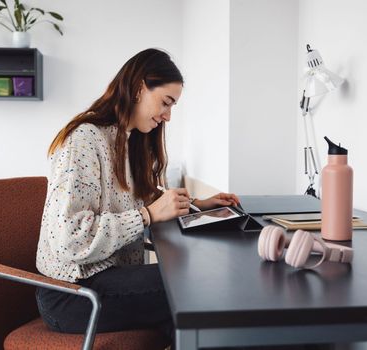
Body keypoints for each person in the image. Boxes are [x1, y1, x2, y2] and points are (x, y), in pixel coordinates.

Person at [35, 48, 240, 344]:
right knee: (191, 285)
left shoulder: (127, 140)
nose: (168, 116)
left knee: (185, 301)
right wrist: (149, 215)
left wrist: (195, 205)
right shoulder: (84, 140)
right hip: (72, 294)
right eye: (166, 103)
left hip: (105, 279)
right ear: (139, 87)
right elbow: (70, 238)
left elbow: (135, 199)